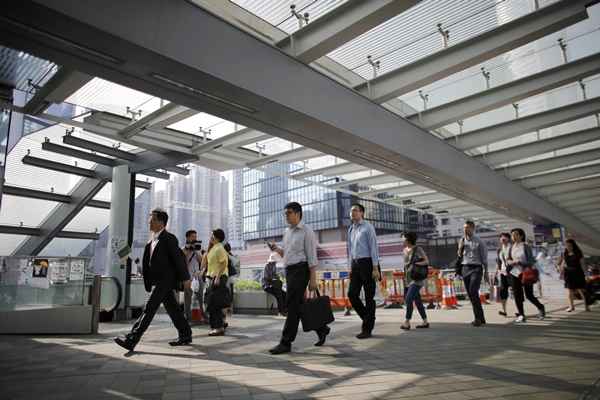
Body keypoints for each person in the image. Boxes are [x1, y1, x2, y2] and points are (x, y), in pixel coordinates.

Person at [114, 209, 192, 351]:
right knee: (173, 309)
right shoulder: (152, 241)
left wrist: (186, 279)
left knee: (148, 309)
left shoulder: (169, 238)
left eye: (152, 219)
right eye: (150, 218)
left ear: (161, 222)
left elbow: (179, 259)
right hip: (158, 282)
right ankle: (186, 334)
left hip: (165, 281)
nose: (149, 221)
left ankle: (132, 339)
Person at [268, 202, 331, 355]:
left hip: (301, 270)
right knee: (299, 304)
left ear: (298, 213)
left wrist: (313, 279)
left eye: (288, 213)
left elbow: (311, 256)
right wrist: (276, 249)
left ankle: (286, 342)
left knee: (292, 306)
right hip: (289, 271)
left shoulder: (307, 231)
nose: (286, 216)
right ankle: (322, 328)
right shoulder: (287, 232)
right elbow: (287, 254)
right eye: (285, 213)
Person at [346, 203, 380, 339]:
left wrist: (375, 267)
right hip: (355, 264)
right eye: (351, 211)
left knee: (369, 297)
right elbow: (350, 251)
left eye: (355, 210)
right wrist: (350, 267)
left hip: (368, 263)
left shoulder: (368, 227)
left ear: (362, 213)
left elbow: (374, 247)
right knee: (352, 294)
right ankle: (368, 318)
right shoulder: (350, 229)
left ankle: (367, 328)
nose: (352, 213)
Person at [507, 228, 546, 323]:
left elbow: (531, 261)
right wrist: (511, 262)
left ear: (521, 235)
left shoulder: (525, 246)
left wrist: (521, 262)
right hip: (515, 273)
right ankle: (521, 314)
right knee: (517, 295)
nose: (513, 236)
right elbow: (508, 259)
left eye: (516, 234)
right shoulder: (511, 247)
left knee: (529, 294)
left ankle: (541, 307)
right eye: (512, 235)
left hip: (526, 273)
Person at [457, 220, 488, 327]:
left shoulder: (479, 241)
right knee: (471, 295)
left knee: (473, 291)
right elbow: (459, 255)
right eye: (464, 227)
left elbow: (484, 258)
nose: (465, 229)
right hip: (465, 268)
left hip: (476, 268)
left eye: (467, 227)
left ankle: (477, 318)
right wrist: (460, 247)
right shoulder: (461, 240)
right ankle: (481, 317)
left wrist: (486, 272)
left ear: (473, 228)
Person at [203, 229, 230, 336]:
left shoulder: (219, 248)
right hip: (212, 278)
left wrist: (218, 277)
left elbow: (224, 263)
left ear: (216, 237)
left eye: (212, 235)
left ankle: (218, 327)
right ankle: (218, 326)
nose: (210, 237)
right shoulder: (214, 248)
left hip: (218, 278)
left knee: (215, 303)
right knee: (212, 303)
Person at [401, 232, 430, 330]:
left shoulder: (418, 249)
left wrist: (415, 264)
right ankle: (425, 321)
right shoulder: (404, 250)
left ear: (408, 240)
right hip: (408, 279)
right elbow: (405, 265)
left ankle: (407, 322)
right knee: (417, 301)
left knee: (409, 299)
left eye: (403, 238)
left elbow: (426, 261)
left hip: (416, 279)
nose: (402, 240)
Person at [560, 239, 590, 312]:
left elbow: (583, 264)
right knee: (570, 291)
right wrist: (561, 272)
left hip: (578, 273)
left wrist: (586, 275)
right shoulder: (565, 253)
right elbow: (563, 263)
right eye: (566, 245)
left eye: (569, 245)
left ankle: (586, 306)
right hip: (569, 274)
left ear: (573, 245)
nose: (568, 247)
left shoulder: (578, 253)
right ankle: (571, 306)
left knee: (581, 290)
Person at [182, 230, 205, 324]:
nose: (195, 238)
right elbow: (183, 262)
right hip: (188, 276)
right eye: (193, 236)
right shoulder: (183, 249)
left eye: (196, 236)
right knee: (188, 297)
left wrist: (195, 250)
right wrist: (188, 250)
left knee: (200, 296)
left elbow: (201, 260)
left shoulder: (197, 249)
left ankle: (203, 316)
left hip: (197, 275)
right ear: (187, 238)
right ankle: (188, 317)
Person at [495, 233, 512, 317]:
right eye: (501, 237)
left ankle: (520, 311)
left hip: (512, 272)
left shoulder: (512, 248)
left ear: (509, 238)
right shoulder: (499, 249)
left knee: (516, 292)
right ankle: (504, 310)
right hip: (502, 273)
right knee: (503, 292)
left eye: (504, 237)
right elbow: (499, 262)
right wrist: (497, 272)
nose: (502, 238)